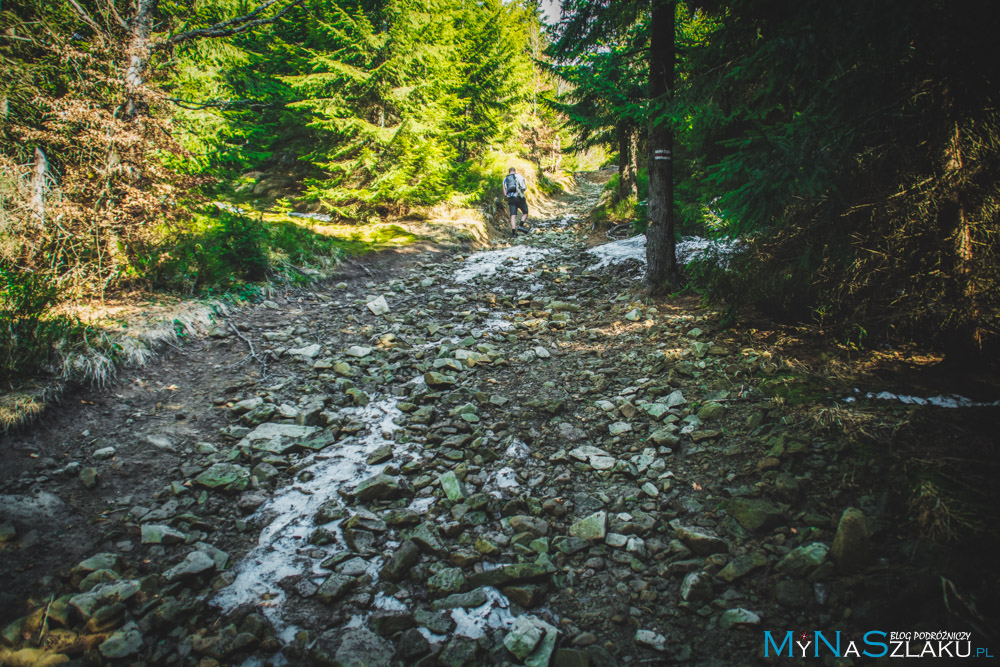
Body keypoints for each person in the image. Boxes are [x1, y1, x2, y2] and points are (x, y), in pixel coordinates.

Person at [502, 167, 529, 236]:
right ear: (515, 171)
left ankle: (513, 234)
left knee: (513, 216)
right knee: (525, 212)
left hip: (511, 199)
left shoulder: (505, 179)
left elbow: (505, 193)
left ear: (509, 172)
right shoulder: (519, 176)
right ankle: (520, 226)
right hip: (519, 197)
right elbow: (524, 187)